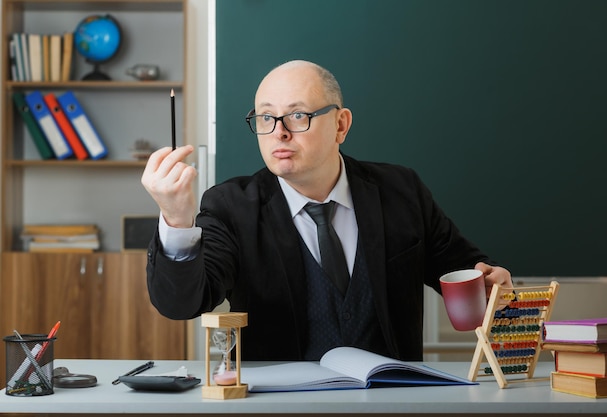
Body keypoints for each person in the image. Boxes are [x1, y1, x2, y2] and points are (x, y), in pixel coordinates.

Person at [141, 60, 512, 362]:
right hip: (278, 405)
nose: (279, 133)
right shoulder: (230, 206)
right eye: (266, 118)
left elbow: (465, 271)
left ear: (340, 124)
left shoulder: (401, 191)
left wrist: (489, 282)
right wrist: (176, 219)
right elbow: (181, 303)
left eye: (298, 116)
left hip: (392, 400)